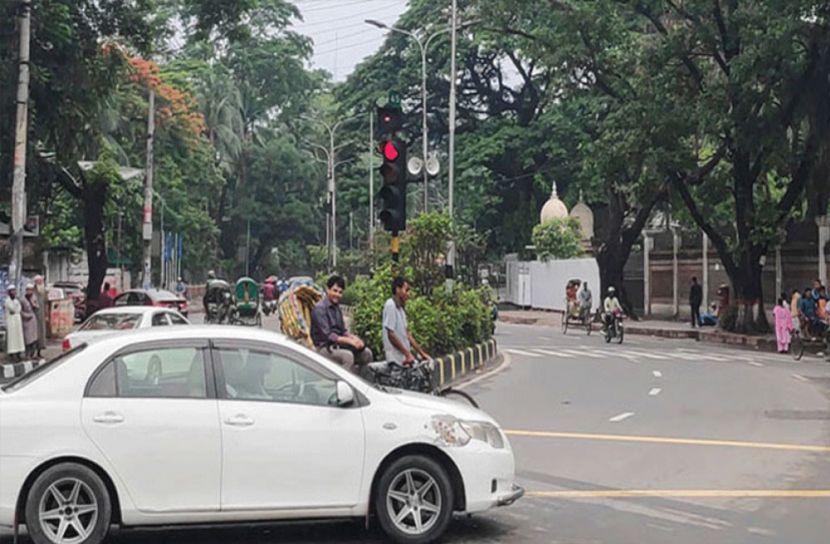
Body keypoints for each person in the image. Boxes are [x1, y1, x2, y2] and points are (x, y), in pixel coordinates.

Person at [310, 275, 373, 374]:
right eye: (335, 291)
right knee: (347, 356)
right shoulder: (320, 309)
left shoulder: (337, 308)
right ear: (328, 290)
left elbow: (343, 331)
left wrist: (354, 339)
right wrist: (349, 341)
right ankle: (344, 386)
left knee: (367, 354)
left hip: (339, 345)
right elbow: (328, 336)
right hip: (324, 348)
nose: (337, 294)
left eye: (340, 292)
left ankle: (363, 385)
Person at [383, 277, 430, 365]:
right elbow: (391, 334)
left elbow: (407, 334)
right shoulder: (390, 305)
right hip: (395, 359)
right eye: (406, 290)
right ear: (398, 290)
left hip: (404, 359)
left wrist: (422, 353)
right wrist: (407, 354)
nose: (408, 294)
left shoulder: (400, 309)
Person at [4, 286, 25, 362]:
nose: (13, 293)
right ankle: (13, 355)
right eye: (11, 291)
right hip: (11, 322)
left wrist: (16, 310)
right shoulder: (7, 301)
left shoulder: (16, 301)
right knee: (12, 339)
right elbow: (12, 308)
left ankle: (19, 353)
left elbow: (18, 309)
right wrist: (15, 310)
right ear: (9, 292)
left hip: (17, 321)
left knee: (19, 337)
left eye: (14, 291)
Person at [21, 284, 38, 359]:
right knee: (27, 338)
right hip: (26, 321)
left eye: (31, 290)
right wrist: (26, 316)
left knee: (34, 338)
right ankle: (27, 354)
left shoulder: (34, 298)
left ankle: (32, 353)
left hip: (33, 320)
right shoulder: (23, 299)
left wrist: (34, 304)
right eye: (28, 290)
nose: (29, 291)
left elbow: (37, 307)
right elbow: (20, 310)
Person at [33, 275, 47, 358]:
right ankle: (32, 352)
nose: (41, 282)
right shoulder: (33, 291)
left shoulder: (43, 291)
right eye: (39, 281)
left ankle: (39, 351)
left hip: (41, 315)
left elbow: (46, 302)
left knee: (41, 334)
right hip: (34, 316)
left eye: (41, 281)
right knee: (34, 334)